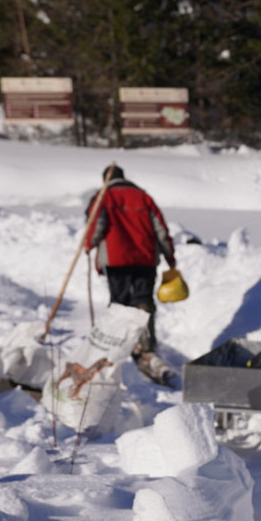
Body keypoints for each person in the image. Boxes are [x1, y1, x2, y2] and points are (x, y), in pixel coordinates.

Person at [84, 163, 178, 385]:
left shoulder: (103, 196)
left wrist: (89, 244)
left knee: (120, 303)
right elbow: (161, 229)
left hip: (117, 259)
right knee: (143, 300)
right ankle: (146, 347)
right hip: (145, 258)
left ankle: (117, 343)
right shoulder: (143, 197)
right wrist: (169, 255)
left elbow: (96, 224)